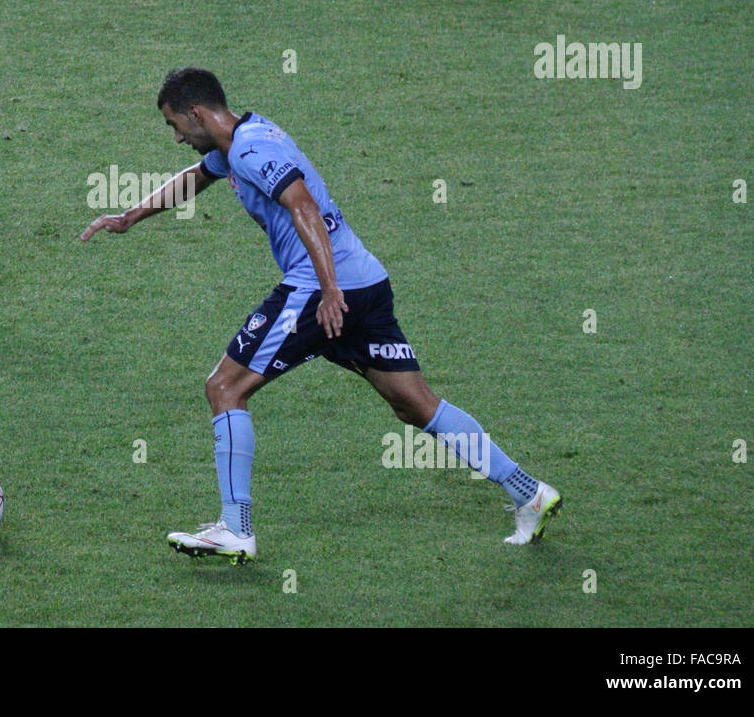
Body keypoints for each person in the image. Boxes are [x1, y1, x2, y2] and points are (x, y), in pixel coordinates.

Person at [80, 67, 562, 563]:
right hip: (366, 281)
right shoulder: (244, 136)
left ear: (197, 113)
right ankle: (529, 491)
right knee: (414, 404)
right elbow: (198, 177)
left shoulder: (249, 150)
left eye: (175, 125)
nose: (177, 136)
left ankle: (236, 527)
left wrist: (329, 290)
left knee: (225, 387)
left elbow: (303, 205)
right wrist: (132, 216)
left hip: (322, 288)